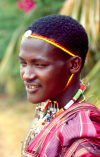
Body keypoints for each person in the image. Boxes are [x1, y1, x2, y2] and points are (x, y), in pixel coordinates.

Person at [18, 14, 100, 157]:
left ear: (74, 65)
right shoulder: (50, 112)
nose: (26, 75)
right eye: (23, 63)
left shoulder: (81, 137)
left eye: (39, 65)